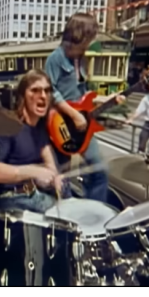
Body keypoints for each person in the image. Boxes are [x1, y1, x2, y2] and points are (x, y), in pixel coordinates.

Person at [45, 12, 123, 203]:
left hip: (82, 125)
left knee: (99, 170)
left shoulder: (80, 60)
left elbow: (84, 96)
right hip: (61, 124)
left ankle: (94, 210)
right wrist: (73, 114)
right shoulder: (55, 59)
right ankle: (66, 215)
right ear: (79, 35)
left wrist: (108, 98)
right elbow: (50, 90)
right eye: (89, 38)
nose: (91, 43)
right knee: (62, 175)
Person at [0, 69, 64, 212]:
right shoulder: (9, 125)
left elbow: (51, 165)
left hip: (36, 196)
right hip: (12, 199)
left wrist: (53, 178)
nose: (43, 96)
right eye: (35, 91)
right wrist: (34, 171)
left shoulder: (40, 128)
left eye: (47, 91)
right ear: (22, 97)